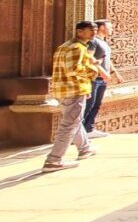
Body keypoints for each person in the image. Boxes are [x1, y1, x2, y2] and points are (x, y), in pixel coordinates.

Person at [43, 21, 110, 173]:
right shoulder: (77, 48)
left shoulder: (65, 46)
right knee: (69, 125)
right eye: (89, 31)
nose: (93, 33)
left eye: (94, 30)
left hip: (63, 89)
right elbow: (73, 69)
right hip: (73, 90)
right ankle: (54, 160)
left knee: (75, 120)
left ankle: (85, 148)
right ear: (79, 32)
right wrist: (94, 69)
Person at [82, 18, 123, 138]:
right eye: (109, 27)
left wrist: (115, 73)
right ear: (102, 28)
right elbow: (89, 58)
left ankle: (89, 129)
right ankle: (79, 133)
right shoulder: (93, 42)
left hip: (102, 79)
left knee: (96, 104)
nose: (111, 29)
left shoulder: (104, 43)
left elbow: (106, 59)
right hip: (94, 77)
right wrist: (102, 72)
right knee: (89, 104)